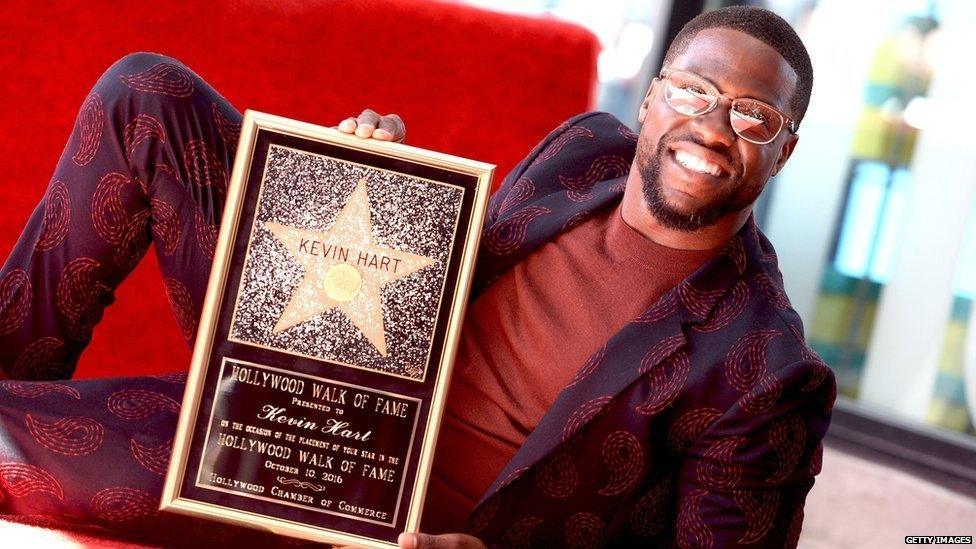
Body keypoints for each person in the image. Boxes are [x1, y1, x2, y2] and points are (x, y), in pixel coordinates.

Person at [0, 6, 834, 548]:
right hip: (331, 383)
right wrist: (364, 178)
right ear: (651, 98)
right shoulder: (586, 149)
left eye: (752, 114)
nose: (713, 127)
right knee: (146, 92)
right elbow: (443, 288)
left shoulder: (766, 370)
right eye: (692, 92)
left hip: (370, 514)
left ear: (784, 147)